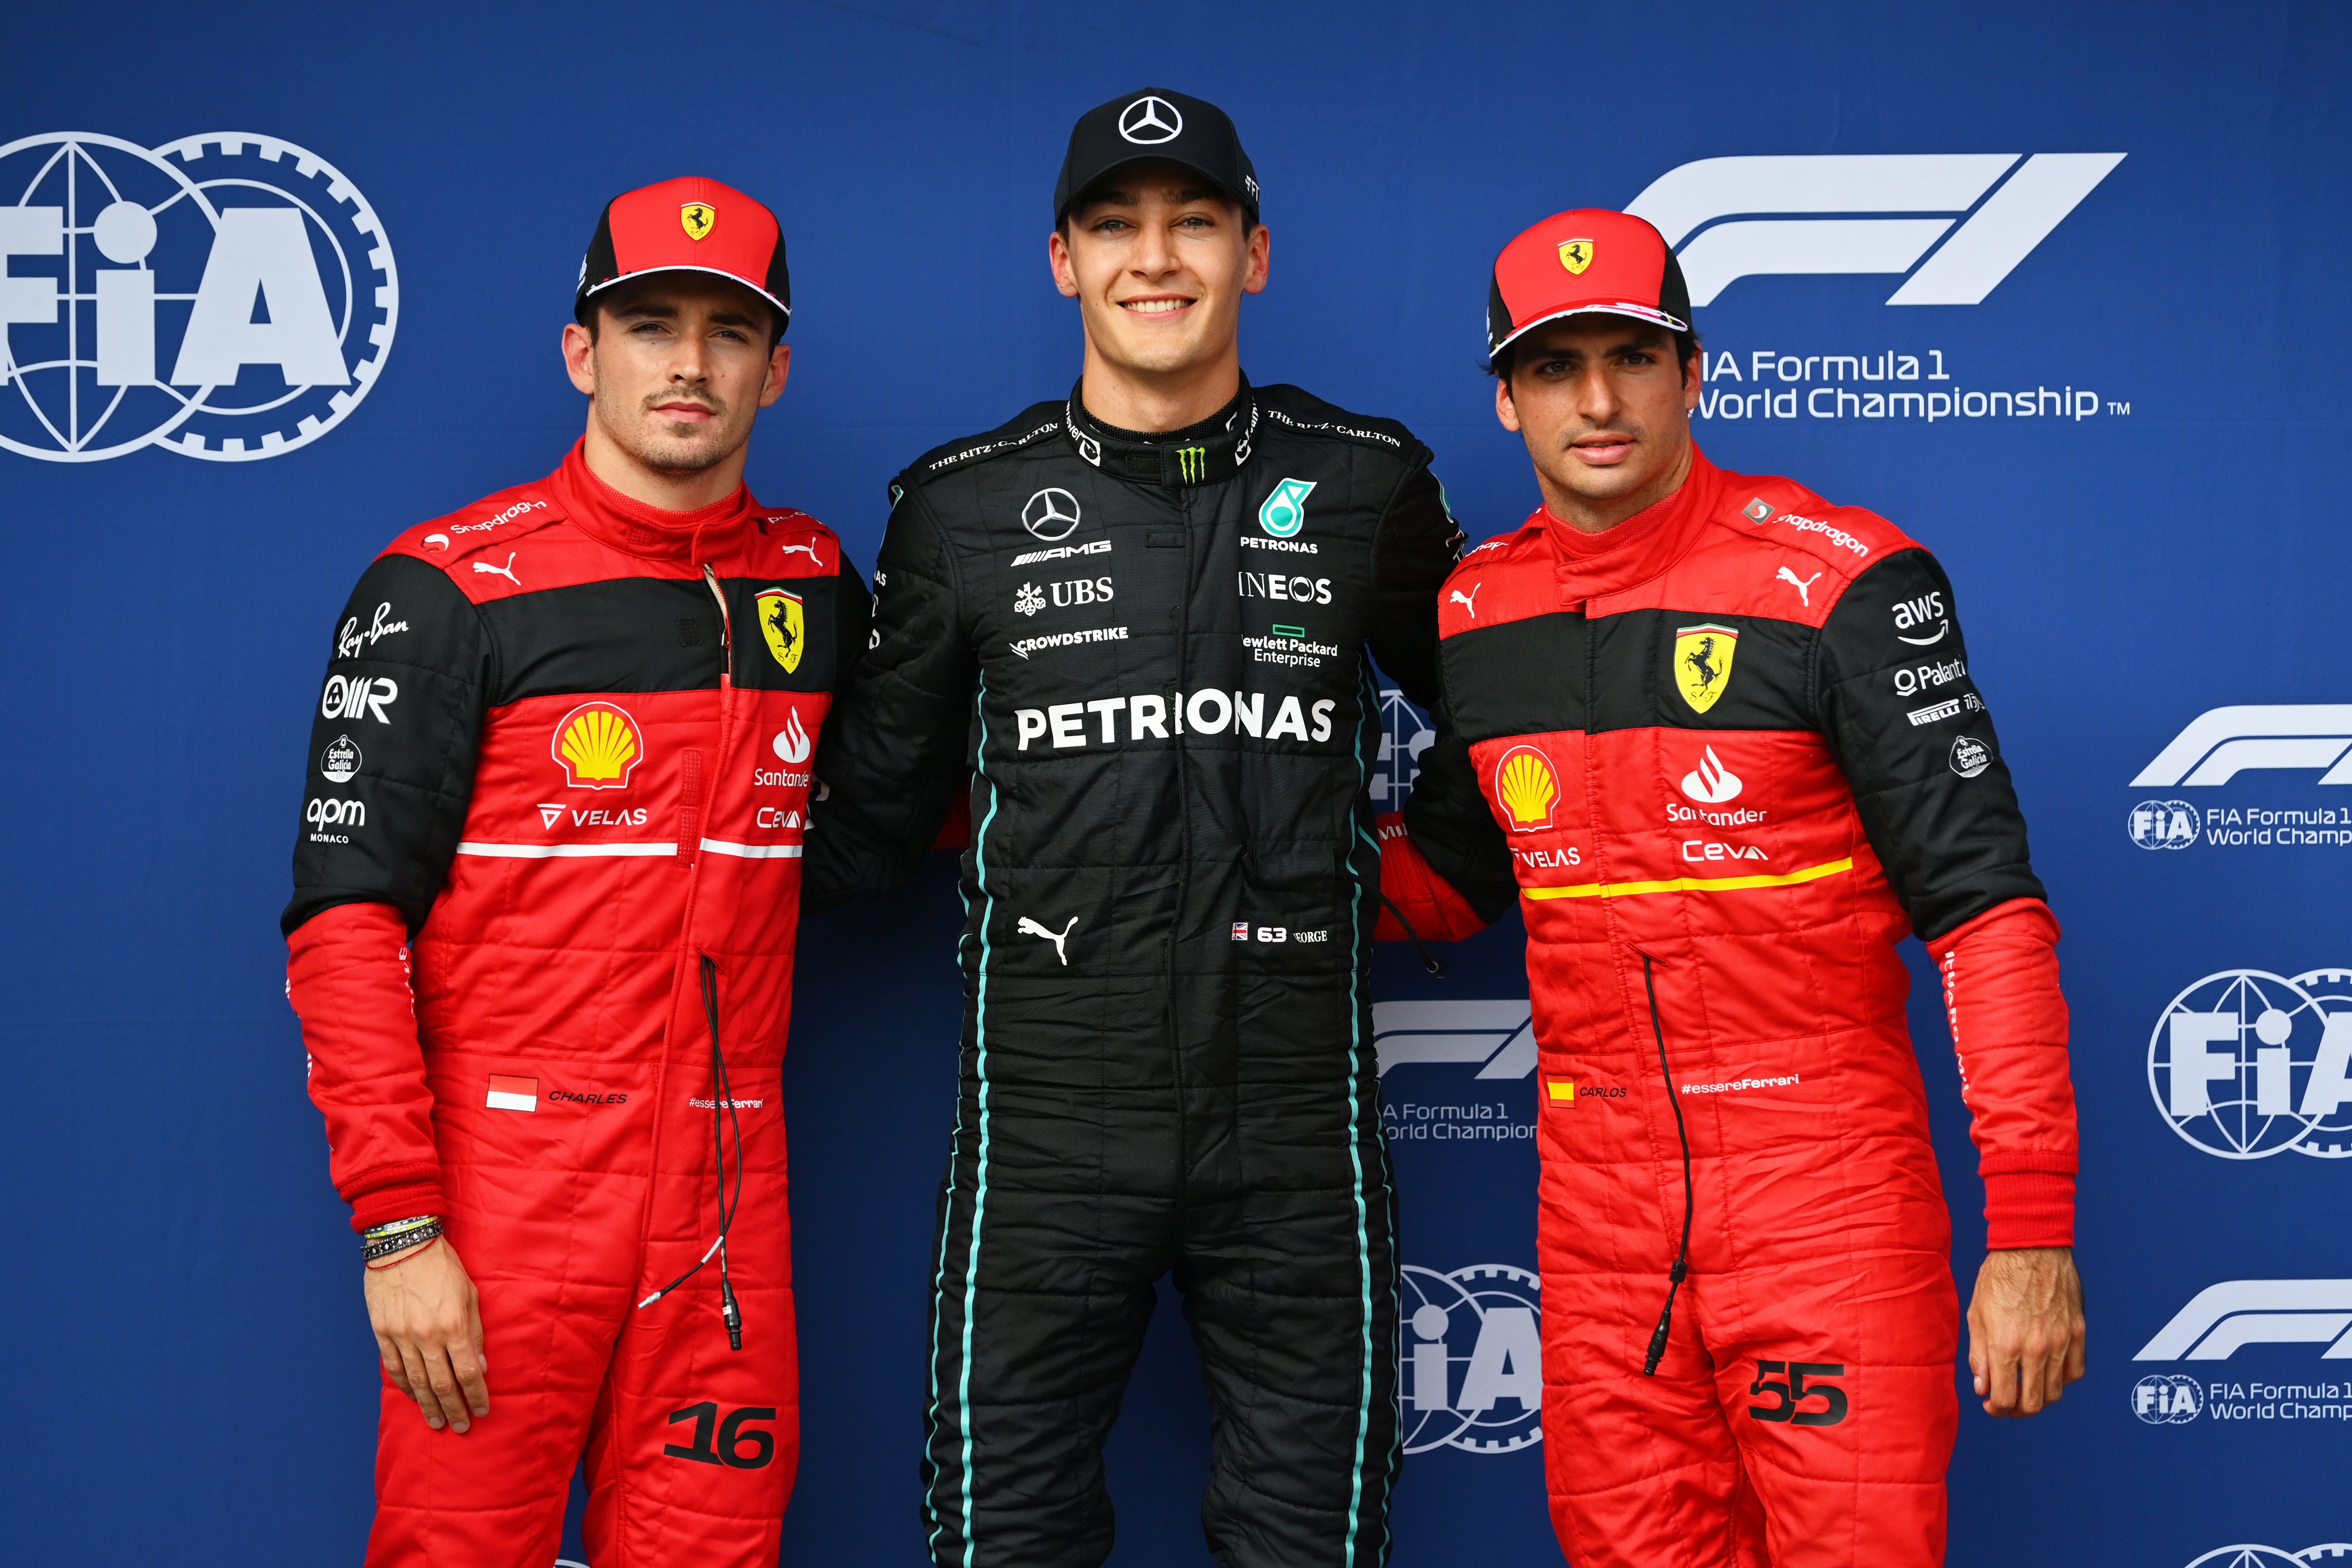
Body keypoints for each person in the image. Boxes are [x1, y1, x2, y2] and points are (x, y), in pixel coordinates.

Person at [801, 88, 1463, 1568]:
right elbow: (870, 816)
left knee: (1314, 1542)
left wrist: (1422, 887)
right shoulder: (961, 508)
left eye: (1194, 224)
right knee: (1004, 1536)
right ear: (1062, 260)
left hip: (1298, 1120)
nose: (1154, 260)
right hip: (1045, 1120)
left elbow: (1509, 717)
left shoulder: (1367, 484)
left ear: (1255, 254)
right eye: (1116, 226)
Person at [1376, 209, 2085, 1568]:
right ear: (1508, 398)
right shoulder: (1480, 615)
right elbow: (1456, 883)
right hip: (1598, 1231)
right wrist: (1233, 864)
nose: (1597, 398)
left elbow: (1987, 911)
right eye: (1553, 364)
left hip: (1825, 1198)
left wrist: (2034, 1228)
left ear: (1693, 372)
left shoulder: (1845, 582)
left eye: (1632, 356)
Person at [282, 175, 862, 1567]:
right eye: (649, 322)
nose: (687, 362)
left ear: (775, 372)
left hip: (726, 1194)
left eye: (730, 332)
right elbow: (346, 922)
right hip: (504, 1201)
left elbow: (908, 805)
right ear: (580, 351)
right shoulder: (445, 588)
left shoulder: (820, 585)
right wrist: (400, 1226)